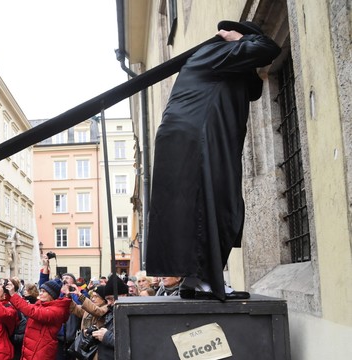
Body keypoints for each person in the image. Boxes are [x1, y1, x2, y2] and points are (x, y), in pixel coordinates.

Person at [146, 20, 281, 301]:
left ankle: (196, 279)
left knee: (209, 206)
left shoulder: (222, 65)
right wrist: (237, 39)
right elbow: (270, 48)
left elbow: (253, 88)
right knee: (216, 204)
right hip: (198, 138)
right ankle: (208, 281)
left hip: (191, 138)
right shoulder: (217, 52)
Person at [5, 279, 70, 360]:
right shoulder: (40, 305)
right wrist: (8, 293)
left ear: (51, 294)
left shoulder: (56, 311)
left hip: (41, 352)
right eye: (40, 290)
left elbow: (31, 311)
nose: (40, 293)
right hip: (31, 350)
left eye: (44, 291)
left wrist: (13, 294)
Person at [91, 275, 129, 360]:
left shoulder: (132, 314)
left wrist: (106, 336)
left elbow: (131, 343)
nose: (108, 303)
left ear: (123, 296)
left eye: (111, 299)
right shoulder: (112, 311)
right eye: (107, 299)